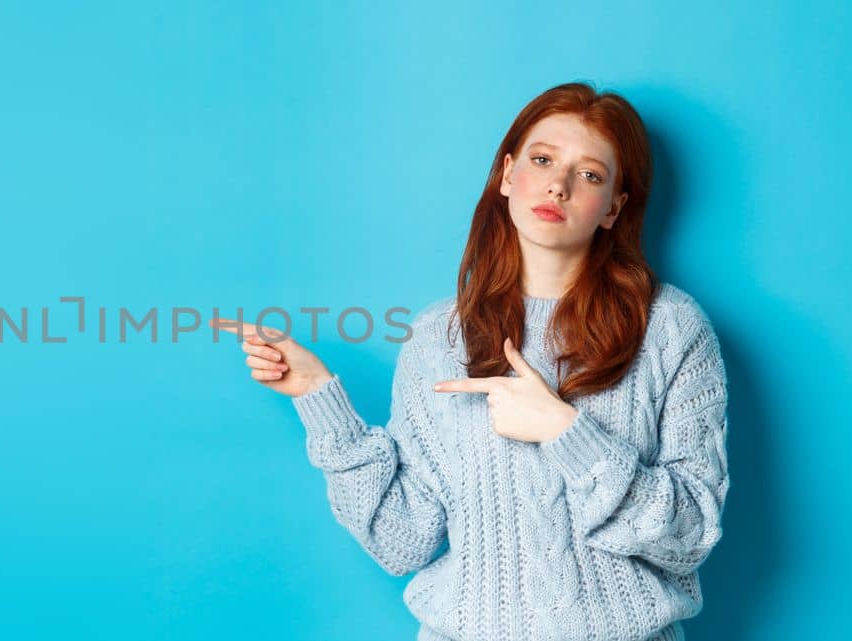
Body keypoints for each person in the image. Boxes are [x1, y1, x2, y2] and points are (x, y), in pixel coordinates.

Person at [211, 82, 729, 641]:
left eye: (590, 175)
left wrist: (564, 429)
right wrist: (319, 399)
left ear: (613, 209)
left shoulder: (671, 329)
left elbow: (692, 534)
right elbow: (400, 539)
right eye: (543, 159)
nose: (558, 183)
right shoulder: (439, 338)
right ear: (507, 175)